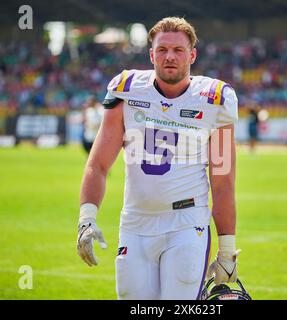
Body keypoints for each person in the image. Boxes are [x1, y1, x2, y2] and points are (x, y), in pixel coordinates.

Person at [76, 17, 240, 299]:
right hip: (135, 223)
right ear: (151, 54)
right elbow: (98, 164)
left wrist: (227, 250)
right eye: (162, 50)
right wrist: (86, 218)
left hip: (187, 224)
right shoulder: (127, 89)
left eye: (178, 50)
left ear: (192, 54)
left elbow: (223, 182)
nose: (170, 57)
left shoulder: (215, 99)